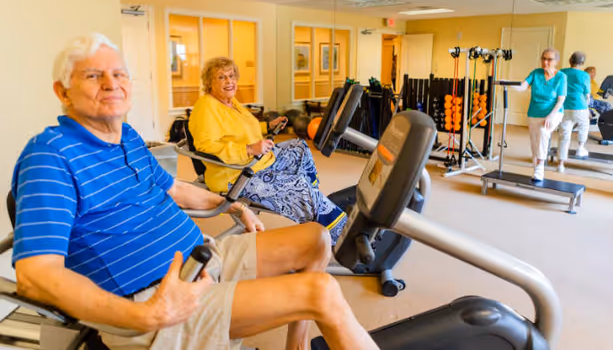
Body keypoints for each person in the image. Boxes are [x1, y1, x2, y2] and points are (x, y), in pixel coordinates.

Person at [12, 34, 378, 350]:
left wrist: (232, 206)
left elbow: (175, 188)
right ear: (63, 91)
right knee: (321, 291)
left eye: (119, 74)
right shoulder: (50, 156)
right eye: (94, 76)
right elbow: (36, 276)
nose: (112, 84)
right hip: (155, 297)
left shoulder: (128, 138)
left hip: (202, 257)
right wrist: (144, 315)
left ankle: (295, 345)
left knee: (315, 239)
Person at [189, 57, 347, 244]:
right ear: (210, 82)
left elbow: (242, 129)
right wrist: (248, 149)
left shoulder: (231, 102)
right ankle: (342, 235)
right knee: (298, 187)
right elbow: (206, 146)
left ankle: (312, 207)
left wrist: (267, 126)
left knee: (299, 148)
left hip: (257, 161)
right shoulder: (205, 107)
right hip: (235, 175)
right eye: (221, 77)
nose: (229, 81)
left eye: (231, 76)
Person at [510, 48, 567, 182]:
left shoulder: (561, 77)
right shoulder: (536, 73)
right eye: (543, 58)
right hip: (534, 112)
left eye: (549, 59)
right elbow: (523, 86)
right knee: (535, 142)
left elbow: (561, 100)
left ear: (556, 61)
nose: (545, 62)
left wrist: (551, 116)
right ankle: (537, 165)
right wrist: (507, 83)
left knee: (543, 132)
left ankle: (540, 167)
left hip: (554, 112)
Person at [557, 52, 591, 172]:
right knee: (584, 125)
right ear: (582, 63)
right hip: (579, 106)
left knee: (564, 135)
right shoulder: (584, 75)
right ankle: (580, 148)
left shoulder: (562, 72)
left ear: (570, 60)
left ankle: (560, 164)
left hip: (564, 106)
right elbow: (587, 94)